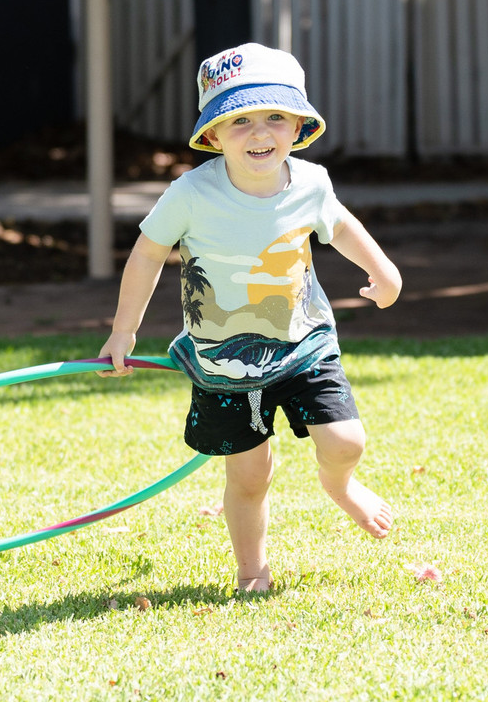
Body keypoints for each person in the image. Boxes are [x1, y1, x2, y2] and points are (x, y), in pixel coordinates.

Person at [98, 43, 402, 593]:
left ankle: (339, 485)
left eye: (275, 117)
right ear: (212, 134)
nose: (260, 133)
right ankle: (251, 571)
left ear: (299, 126)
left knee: (346, 440)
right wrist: (124, 329)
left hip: (303, 342)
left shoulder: (311, 183)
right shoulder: (191, 193)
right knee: (249, 475)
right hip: (223, 361)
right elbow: (145, 255)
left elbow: (342, 226)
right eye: (239, 120)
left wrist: (384, 271)